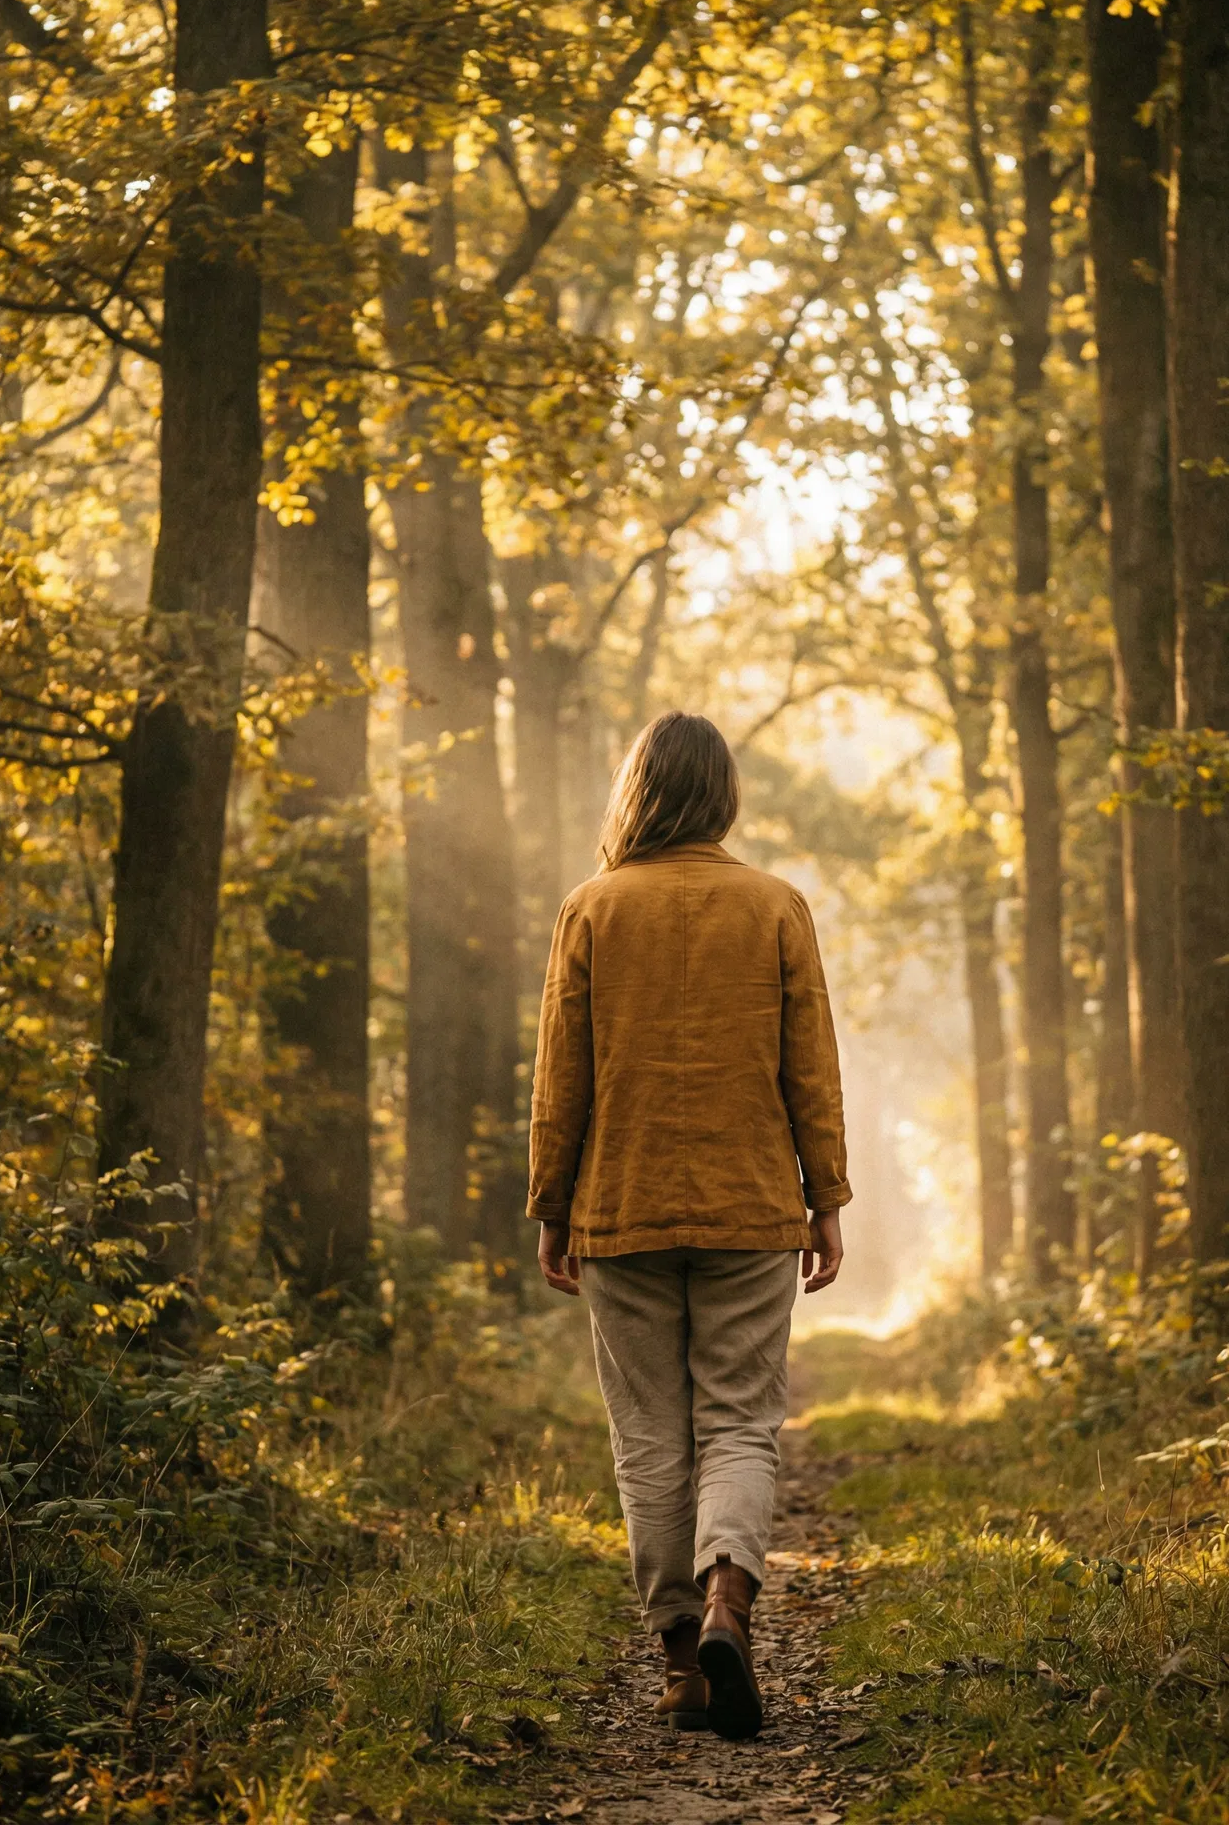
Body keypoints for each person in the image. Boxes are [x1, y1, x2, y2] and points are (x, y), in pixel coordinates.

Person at [526, 710, 850, 1741]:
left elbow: (560, 1079)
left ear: (638, 792)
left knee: (651, 1437)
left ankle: (680, 1664)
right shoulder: (775, 905)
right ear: (725, 797)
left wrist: (551, 1204)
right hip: (752, 1206)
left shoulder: (592, 909)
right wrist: (825, 1199)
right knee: (741, 1423)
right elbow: (812, 1065)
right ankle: (728, 1604)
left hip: (619, 1209)